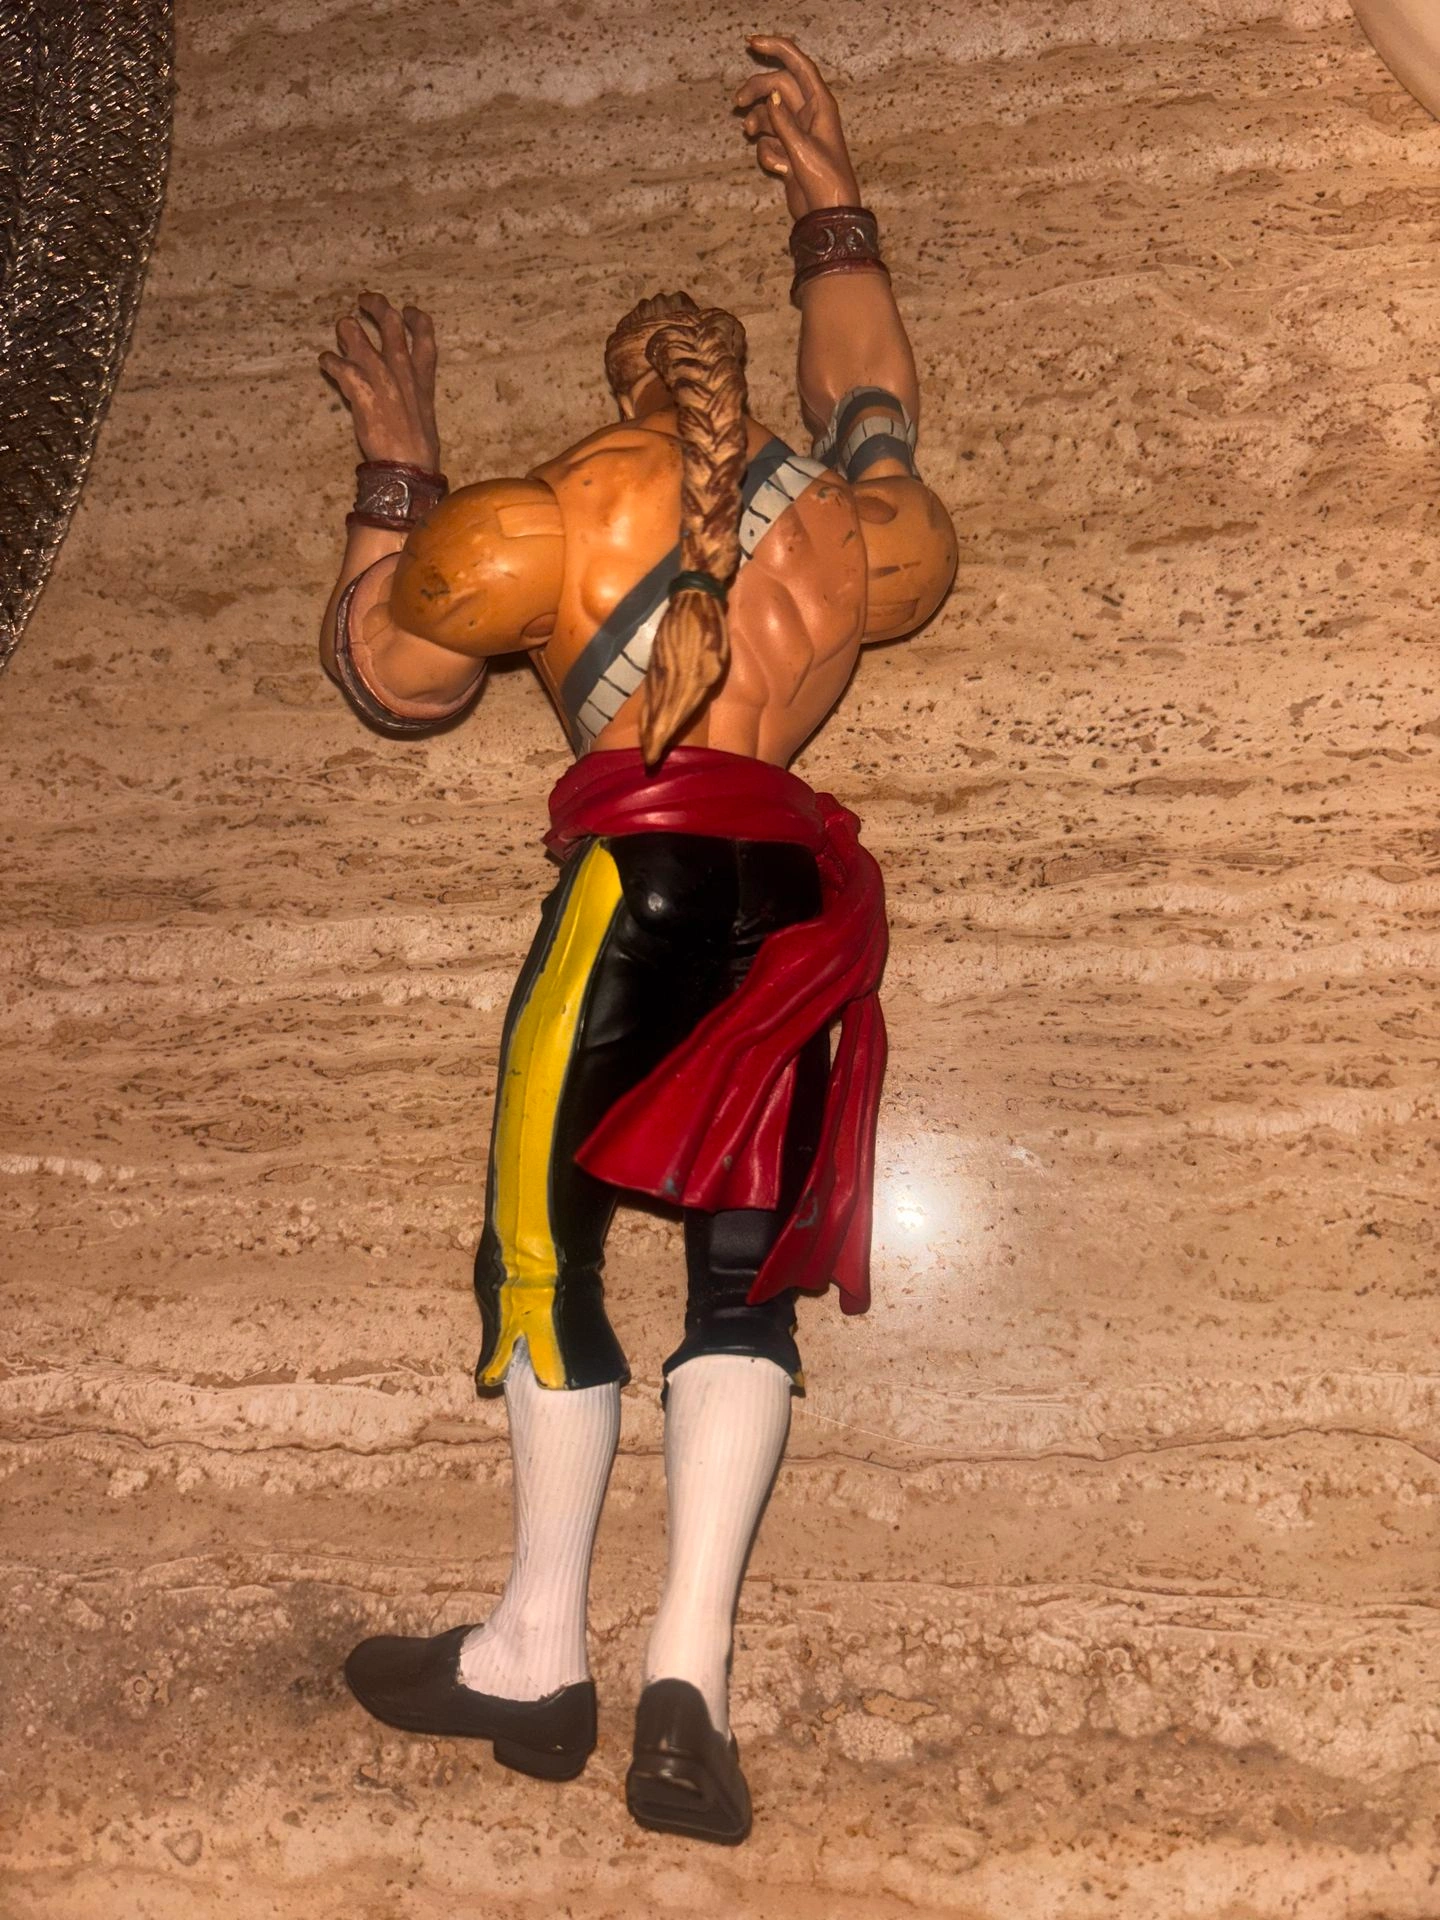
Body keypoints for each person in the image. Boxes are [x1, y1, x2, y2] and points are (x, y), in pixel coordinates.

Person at [316, 34, 955, 1845]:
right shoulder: (855, 530)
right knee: (745, 1285)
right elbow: (880, 409)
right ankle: (690, 1686)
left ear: (623, 382)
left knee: (541, 1250)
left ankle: (538, 1653)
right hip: (799, 907)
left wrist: (398, 467)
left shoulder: (543, 518)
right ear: (736, 383)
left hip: (636, 892)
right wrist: (831, 205)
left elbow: (388, 677)